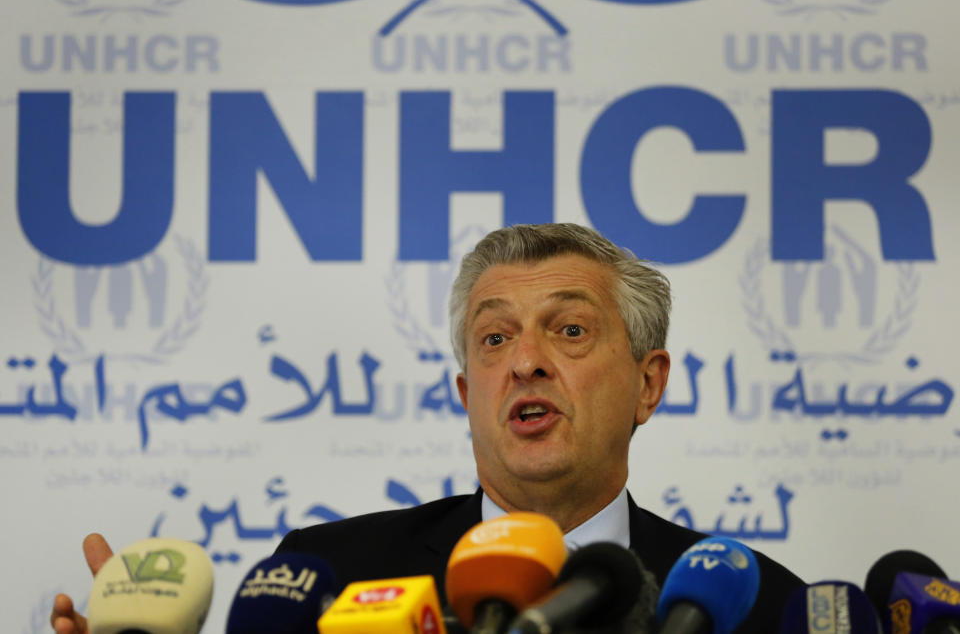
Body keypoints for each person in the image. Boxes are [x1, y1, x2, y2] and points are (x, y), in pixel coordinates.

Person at [51, 223, 804, 633]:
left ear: (649, 383)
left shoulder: (763, 606)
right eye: (496, 338)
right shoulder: (332, 573)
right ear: (465, 390)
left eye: (569, 330)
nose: (526, 363)